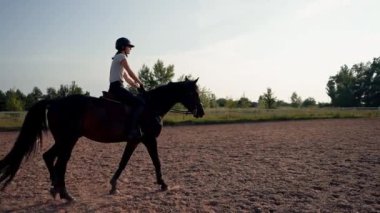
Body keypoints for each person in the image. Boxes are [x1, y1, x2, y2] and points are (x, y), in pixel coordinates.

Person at [109, 37, 145, 140]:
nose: (130, 49)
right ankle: (131, 130)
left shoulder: (118, 58)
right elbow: (130, 71)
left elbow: (127, 78)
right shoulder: (121, 56)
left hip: (115, 87)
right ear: (123, 47)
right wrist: (141, 83)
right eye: (129, 46)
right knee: (139, 103)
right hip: (117, 88)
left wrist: (137, 86)